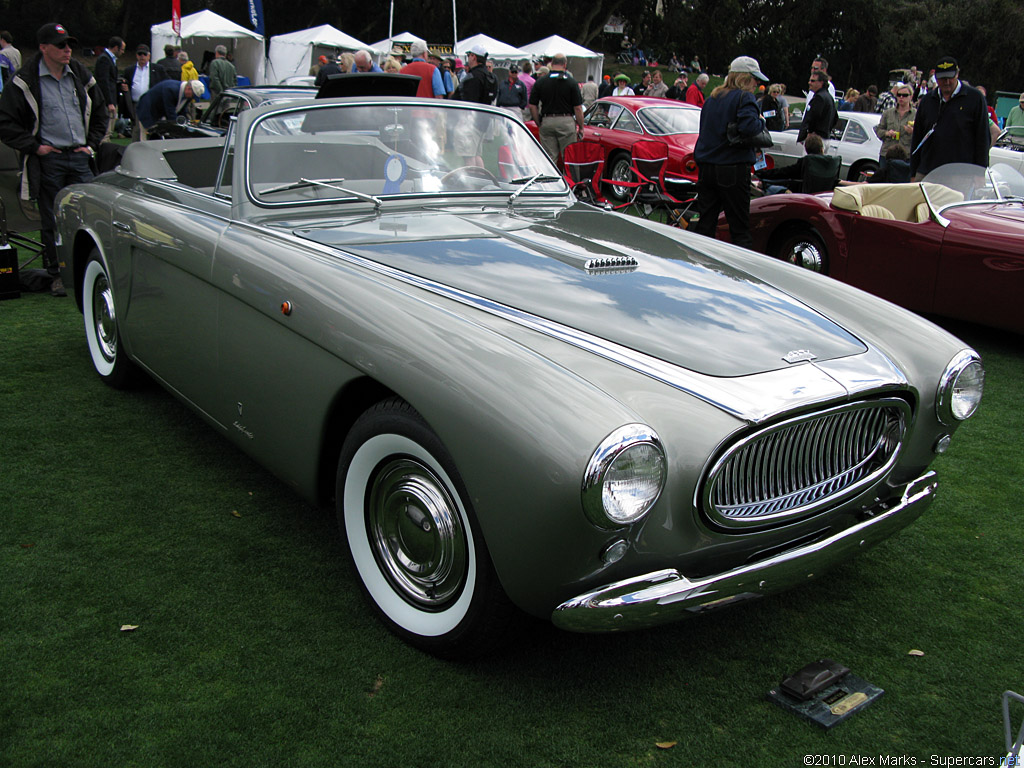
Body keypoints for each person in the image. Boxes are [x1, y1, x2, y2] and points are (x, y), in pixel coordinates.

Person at [0, 23, 106, 296]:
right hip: (49, 161)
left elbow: (101, 112)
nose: (67, 49)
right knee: (53, 219)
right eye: (60, 45)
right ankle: (57, 274)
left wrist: (92, 145)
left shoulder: (80, 74)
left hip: (81, 158)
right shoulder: (25, 80)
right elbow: (5, 123)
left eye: (69, 44)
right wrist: (35, 148)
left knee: (91, 215)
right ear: (43, 48)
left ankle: (93, 267)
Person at [689, 55, 769, 249]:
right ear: (744, 77)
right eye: (754, 78)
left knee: (706, 224)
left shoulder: (712, 99)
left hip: (707, 167)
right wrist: (761, 120)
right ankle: (740, 274)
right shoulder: (744, 97)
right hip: (732, 167)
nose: (756, 83)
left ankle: (697, 267)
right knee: (739, 228)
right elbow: (750, 127)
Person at [910, 56, 989, 180]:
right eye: (942, 78)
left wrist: (980, 174)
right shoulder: (927, 101)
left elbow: (982, 138)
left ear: (957, 74)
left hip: (961, 174)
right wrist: (913, 173)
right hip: (927, 171)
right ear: (935, 78)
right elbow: (917, 138)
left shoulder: (975, 98)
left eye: (950, 77)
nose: (947, 82)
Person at [528, 53, 584, 166]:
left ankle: (549, 183)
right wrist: (581, 126)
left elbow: (532, 105)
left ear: (551, 64)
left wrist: (538, 121)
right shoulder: (571, 82)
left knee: (549, 159)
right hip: (566, 121)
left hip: (547, 120)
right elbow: (577, 108)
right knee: (569, 158)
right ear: (565, 64)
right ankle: (570, 182)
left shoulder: (541, 81)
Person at [754, 133, 835, 194]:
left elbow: (784, 172)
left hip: (802, 195)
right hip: (824, 196)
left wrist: (760, 174)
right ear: (821, 149)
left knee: (771, 185)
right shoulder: (830, 164)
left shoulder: (805, 162)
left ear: (806, 150)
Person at [123, 44, 167, 142]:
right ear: (136, 55)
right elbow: (125, 81)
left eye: (144, 54)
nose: (142, 56)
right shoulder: (129, 70)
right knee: (137, 129)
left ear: (149, 56)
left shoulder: (158, 69)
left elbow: (165, 83)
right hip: (136, 104)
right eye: (140, 54)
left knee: (153, 128)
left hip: (152, 104)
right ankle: (135, 148)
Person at [136, 79, 204, 138]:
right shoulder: (171, 89)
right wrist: (177, 127)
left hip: (160, 113)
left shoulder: (187, 96)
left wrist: (186, 123)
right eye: (192, 95)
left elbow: (182, 111)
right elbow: (170, 111)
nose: (192, 98)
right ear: (188, 88)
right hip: (148, 110)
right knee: (148, 137)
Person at [874, 83, 915, 172]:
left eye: (904, 95)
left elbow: (923, 135)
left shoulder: (916, 114)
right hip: (887, 154)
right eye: (899, 95)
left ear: (911, 97)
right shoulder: (888, 113)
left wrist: (913, 132)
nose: (901, 97)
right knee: (884, 182)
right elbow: (878, 130)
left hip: (906, 156)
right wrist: (887, 133)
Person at [94, 36, 124, 139]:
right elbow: (104, 81)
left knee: (109, 129)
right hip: (107, 100)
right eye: (122, 49)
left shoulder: (109, 59)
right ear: (116, 48)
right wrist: (109, 102)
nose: (123, 52)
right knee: (106, 130)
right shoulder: (104, 59)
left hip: (111, 99)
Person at [798, 70, 837, 144]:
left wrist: (810, 133)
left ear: (821, 82)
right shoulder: (829, 97)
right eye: (809, 80)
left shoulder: (819, 98)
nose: (809, 83)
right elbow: (835, 118)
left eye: (813, 81)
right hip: (825, 139)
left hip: (815, 140)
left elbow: (813, 117)